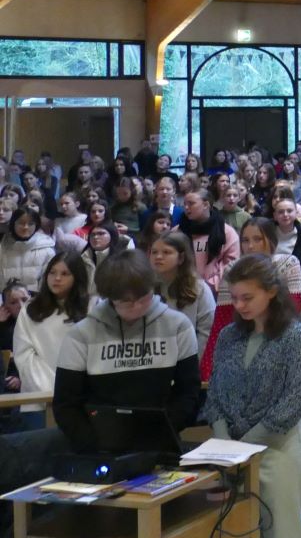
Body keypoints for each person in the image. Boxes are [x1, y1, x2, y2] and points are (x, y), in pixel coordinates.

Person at [200, 255, 301, 538]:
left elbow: (295, 399)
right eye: (235, 298)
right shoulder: (228, 336)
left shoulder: (295, 336)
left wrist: (245, 446)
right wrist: (226, 443)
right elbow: (215, 395)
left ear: (272, 292)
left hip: (278, 450)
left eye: (247, 298)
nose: (239, 305)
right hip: (235, 455)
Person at [53, 249, 203, 451]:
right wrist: (96, 444)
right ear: (110, 298)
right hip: (98, 447)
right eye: (127, 302)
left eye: (144, 298)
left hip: (160, 442)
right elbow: (66, 404)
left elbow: (188, 392)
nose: (138, 307)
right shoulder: (82, 334)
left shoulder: (177, 326)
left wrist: (163, 431)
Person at [13, 253, 92, 429]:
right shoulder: (31, 308)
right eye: (52, 272)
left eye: (65, 274)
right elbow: (24, 355)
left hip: (80, 397)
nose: (57, 278)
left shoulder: (92, 307)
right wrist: (52, 389)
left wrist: (71, 389)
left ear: (77, 277)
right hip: (38, 397)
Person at [148, 230, 217, 365]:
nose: (158, 257)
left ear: (181, 258)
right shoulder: (145, 287)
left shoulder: (199, 288)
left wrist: (192, 365)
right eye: (154, 252)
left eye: (166, 252)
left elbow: (207, 331)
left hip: (188, 360)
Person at [176, 188, 240, 290]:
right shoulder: (177, 232)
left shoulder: (227, 232)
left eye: (191, 203)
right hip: (183, 288)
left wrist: (209, 285)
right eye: (185, 204)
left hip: (216, 289)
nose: (186, 207)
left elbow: (231, 264)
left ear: (206, 205)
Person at [239, 218, 301, 312]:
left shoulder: (288, 263)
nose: (250, 246)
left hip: (282, 320)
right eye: (245, 240)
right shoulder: (233, 269)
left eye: (257, 239)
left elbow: (294, 309)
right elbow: (224, 314)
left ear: (271, 240)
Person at [1, 208, 54, 290]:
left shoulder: (47, 250)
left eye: (31, 224)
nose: (25, 227)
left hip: (37, 297)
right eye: (21, 223)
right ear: (13, 224)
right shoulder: (2, 247)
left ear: (36, 225)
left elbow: (47, 282)